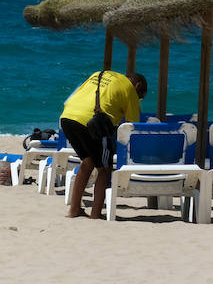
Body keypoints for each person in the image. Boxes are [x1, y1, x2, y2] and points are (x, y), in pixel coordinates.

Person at [59, 70, 147, 219]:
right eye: (139, 98)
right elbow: (132, 126)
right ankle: (95, 214)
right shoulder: (130, 89)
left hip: (68, 118)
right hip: (92, 123)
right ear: (137, 86)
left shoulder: (98, 74)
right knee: (105, 169)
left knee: (88, 162)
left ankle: (74, 210)